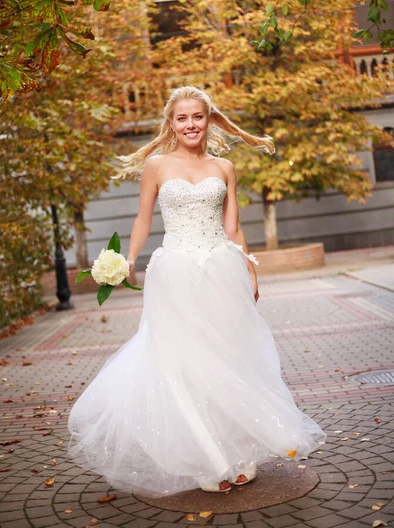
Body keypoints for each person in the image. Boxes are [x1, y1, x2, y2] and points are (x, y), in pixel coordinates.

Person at [67, 86, 326, 498]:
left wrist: (249, 270)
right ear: (171, 123)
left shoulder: (224, 167)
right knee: (185, 364)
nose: (190, 125)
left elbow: (234, 227)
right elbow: (142, 218)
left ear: (208, 120)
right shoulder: (156, 165)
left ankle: (240, 454)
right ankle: (206, 457)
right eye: (182, 118)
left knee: (228, 360)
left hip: (221, 271)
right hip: (175, 273)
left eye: (197, 117)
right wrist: (128, 260)